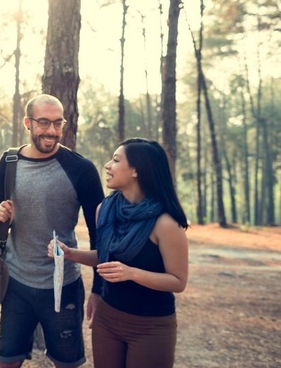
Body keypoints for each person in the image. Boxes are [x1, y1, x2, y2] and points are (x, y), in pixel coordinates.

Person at [49, 138, 189, 368]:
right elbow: (106, 257)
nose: (107, 165)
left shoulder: (165, 223)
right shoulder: (104, 209)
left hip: (151, 325)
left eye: (115, 160)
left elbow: (178, 281)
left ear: (136, 170)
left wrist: (133, 273)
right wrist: (70, 253)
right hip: (108, 317)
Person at [0, 94, 104, 368]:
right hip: (15, 282)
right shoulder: (9, 161)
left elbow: (101, 234)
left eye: (57, 123)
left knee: (67, 363)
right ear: (28, 123)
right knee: (8, 360)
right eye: (43, 122)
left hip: (63, 286)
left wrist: (98, 290)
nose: (51, 131)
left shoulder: (81, 169)